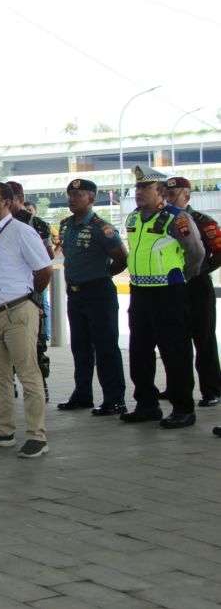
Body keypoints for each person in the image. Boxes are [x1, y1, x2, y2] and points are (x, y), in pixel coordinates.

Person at [0, 182, 53, 459]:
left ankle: (36, 435)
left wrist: (29, 300)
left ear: (7, 202)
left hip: (17, 312)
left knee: (28, 374)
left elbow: (44, 271)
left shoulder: (22, 232)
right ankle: (3, 430)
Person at [120, 166, 203, 428]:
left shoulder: (176, 218)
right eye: (137, 188)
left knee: (175, 353)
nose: (139, 193)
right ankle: (147, 404)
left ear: (161, 192)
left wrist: (179, 278)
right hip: (140, 292)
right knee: (139, 352)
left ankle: (183, 409)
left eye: (145, 188)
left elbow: (196, 254)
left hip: (169, 293)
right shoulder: (133, 219)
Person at [56, 179, 128, 416]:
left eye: (77, 194)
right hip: (75, 295)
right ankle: (83, 394)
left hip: (98, 293)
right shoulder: (66, 225)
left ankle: (114, 398)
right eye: (69, 194)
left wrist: (101, 274)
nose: (71, 198)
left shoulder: (101, 227)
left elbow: (121, 257)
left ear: (91, 199)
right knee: (80, 347)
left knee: (106, 347)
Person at [0, 181, 55, 402]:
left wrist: (32, 298)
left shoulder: (28, 225)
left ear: (10, 200)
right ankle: (3, 423)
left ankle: (40, 396)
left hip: (23, 302)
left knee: (32, 358)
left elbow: (45, 266)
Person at [164, 176, 221, 407]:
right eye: (166, 194)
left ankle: (211, 390)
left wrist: (198, 270)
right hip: (170, 287)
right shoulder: (162, 220)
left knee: (203, 338)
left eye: (173, 194)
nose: (168, 198)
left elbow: (218, 252)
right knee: (174, 341)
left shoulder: (202, 221)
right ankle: (176, 388)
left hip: (197, 285)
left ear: (187, 195)